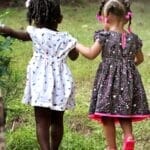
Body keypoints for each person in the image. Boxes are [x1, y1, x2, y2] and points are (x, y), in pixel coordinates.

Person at [0, 0, 79, 149]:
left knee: (41, 121)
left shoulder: (35, 33)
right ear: (60, 18)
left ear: (35, 18)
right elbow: (75, 56)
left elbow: (14, 33)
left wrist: (3, 27)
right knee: (57, 121)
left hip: (40, 83)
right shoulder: (66, 38)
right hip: (61, 84)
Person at [76, 0, 150, 150]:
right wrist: (128, 68)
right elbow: (140, 59)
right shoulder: (133, 39)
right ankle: (128, 136)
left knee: (106, 114)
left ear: (108, 16)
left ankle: (112, 147)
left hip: (108, 82)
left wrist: (76, 44)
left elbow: (91, 54)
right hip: (129, 81)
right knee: (125, 111)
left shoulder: (105, 36)